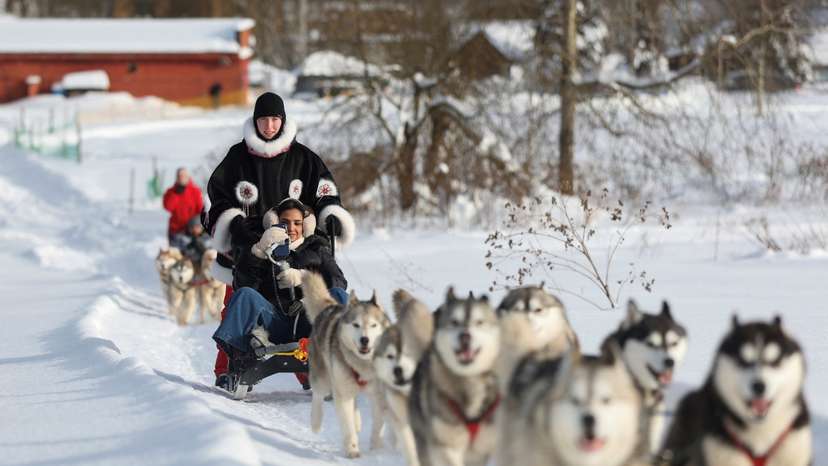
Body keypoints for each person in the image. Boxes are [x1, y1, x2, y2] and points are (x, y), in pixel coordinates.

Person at [206, 92, 355, 388]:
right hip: (247, 246)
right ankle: (227, 367)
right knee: (237, 303)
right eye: (264, 120)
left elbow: (324, 189)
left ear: (283, 121)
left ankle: (311, 370)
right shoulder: (238, 157)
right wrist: (235, 225)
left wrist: (330, 212)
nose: (270, 126)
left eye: (275, 120)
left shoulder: (303, 158)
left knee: (303, 303)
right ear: (255, 121)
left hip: (300, 249)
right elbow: (219, 194)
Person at [213, 199, 347, 390]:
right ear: (275, 223)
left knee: (338, 295)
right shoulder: (265, 246)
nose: (292, 228)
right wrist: (258, 253)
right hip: (274, 322)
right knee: (244, 295)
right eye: (285, 223)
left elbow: (338, 281)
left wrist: (305, 278)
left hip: (309, 321)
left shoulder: (317, 247)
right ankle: (240, 366)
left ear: (305, 225)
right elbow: (243, 284)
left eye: (297, 223)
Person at [163, 167, 204, 244]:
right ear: (176, 178)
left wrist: (198, 225)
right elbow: (168, 207)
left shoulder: (195, 191)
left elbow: (200, 210)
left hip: (192, 230)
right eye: (179, 176)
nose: (182, 178)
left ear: (188, 177)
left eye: (184, 176)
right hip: (176, 230)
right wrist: (176, 193)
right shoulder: (170, 191)